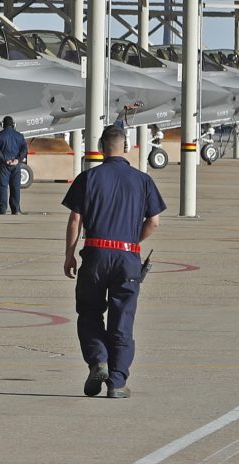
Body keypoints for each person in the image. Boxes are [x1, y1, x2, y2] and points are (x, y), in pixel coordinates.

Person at [61, 125, 165, 399]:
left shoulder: (88, 178)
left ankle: (98, 361)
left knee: (89, 312)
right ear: (126, 146)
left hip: (95, 254)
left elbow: (75, 219)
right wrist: (132, 242)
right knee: (122, 320)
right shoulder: (142, 180)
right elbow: (154, 222)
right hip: (126, 257)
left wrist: (70, 254)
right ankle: (117, 382)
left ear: (100, 147)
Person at [0, 116, 28, 216]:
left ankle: (2, 209)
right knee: (15, 187)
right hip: (16, 165)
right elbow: (24, 149)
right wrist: (18, 159)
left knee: (2, 186)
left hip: (4, 164)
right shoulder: (20, 136)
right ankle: (16, 209)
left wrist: (4, 159)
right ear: (13, 124)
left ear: (2, 124)